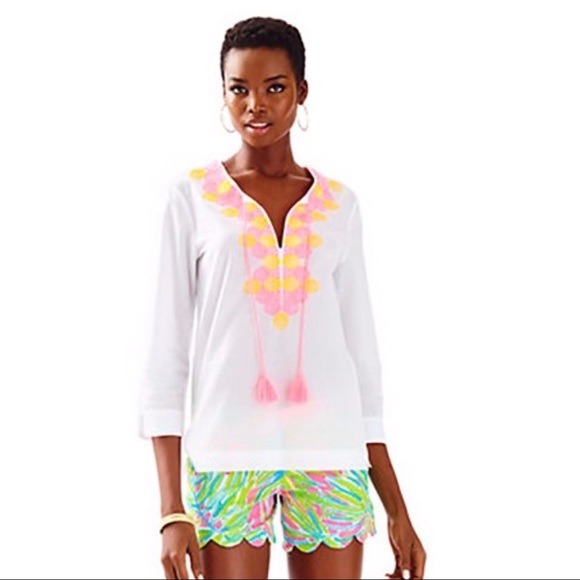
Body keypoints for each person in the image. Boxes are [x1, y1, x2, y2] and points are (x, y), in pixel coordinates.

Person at [138, 15, 426, 580]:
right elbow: (165, 358)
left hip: (333, 456)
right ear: (223, 94)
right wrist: (172, 508)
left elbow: (361, 362)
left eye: (274, 88)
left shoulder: (339, 204)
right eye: (239, 89)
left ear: (301, 91)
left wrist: (396, 507)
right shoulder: (192, 196)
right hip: (225, 460)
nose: (255, 105)